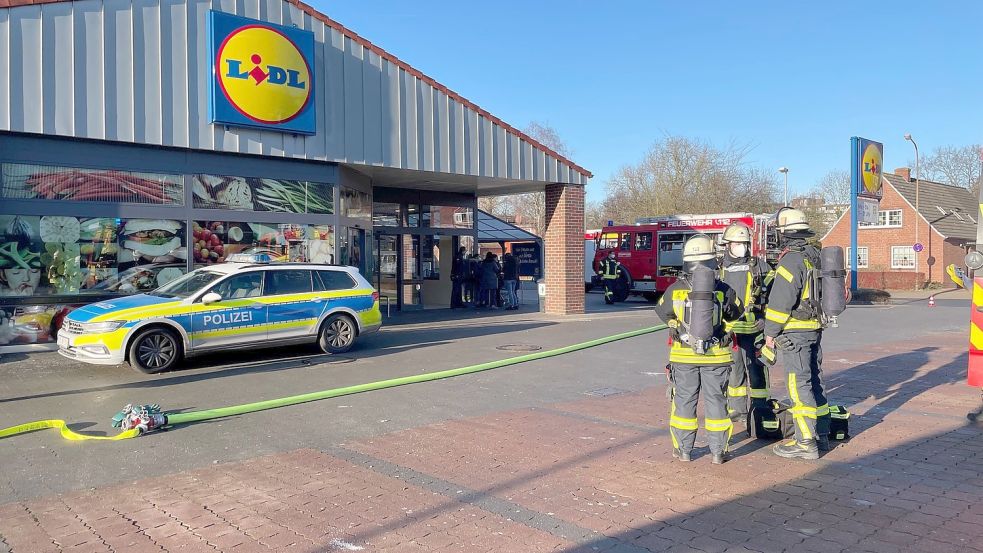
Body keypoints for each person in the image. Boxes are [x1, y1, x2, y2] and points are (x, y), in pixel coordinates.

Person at [655, 234, 741, 464]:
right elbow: (737, 312)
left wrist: (677, 327)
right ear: (713, 260)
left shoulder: (675, 289)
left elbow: (662, 311)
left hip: (683, 357)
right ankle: (718, 452)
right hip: (717, 357)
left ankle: (683, 450)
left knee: (684, 401)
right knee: (717, 402)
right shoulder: (724, 289)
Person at [764, 208, 830, 460]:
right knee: (814, 381)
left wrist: (770, 333)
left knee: (797, 385)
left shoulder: (790, 260)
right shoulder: (814, 255)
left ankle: (805, 442)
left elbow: (781, 302)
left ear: (784, 234)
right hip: (814, 328)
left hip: (795, 333)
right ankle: (821, 434)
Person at [718, 222, 773, 424]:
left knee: (758, 370)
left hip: (755, 330)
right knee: (734, 372)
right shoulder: (719, 268)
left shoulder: (759, 265)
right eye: (737, 243)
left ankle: (760, 409)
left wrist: (767, 320)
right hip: (731, 332)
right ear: (728, 245)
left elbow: (774, 293)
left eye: (744, 243)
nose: (742, 247)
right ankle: (738, 410)